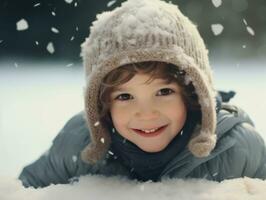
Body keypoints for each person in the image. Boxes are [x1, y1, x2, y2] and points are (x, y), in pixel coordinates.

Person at [18, 0, 266, 188]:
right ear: (101, 105)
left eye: (164, 91)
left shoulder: (237, 148)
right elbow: (23, 190)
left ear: (193, 95)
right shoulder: (76, 146)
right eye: (124, 96)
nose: (146, 113)